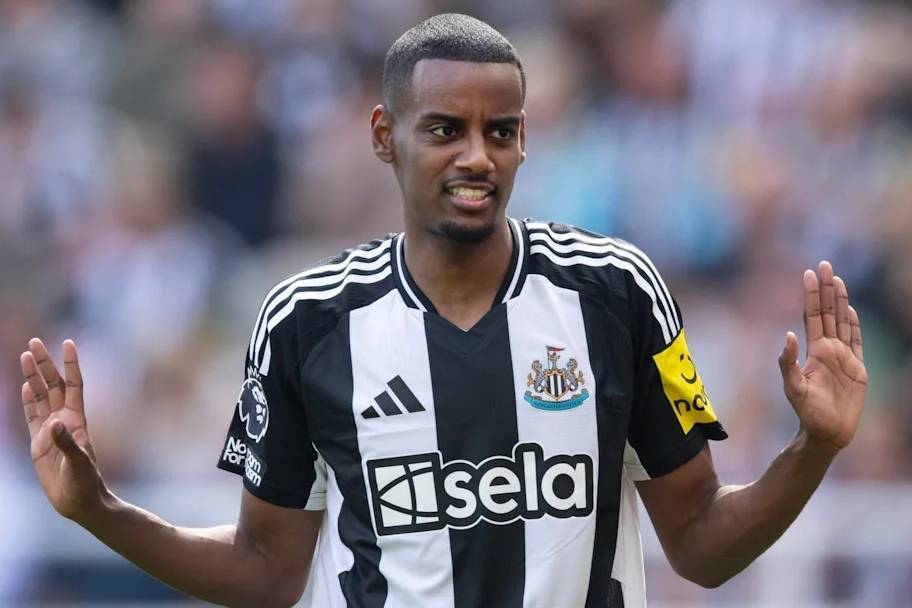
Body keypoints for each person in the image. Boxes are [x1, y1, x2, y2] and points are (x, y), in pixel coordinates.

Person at [19, 14, 868, 608]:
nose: (476, 156)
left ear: (525, 140)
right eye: (444, 130)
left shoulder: (619, 294)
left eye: (501, 131)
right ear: (384, 135)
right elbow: (266, 569)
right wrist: (101, 511)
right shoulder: (304, 321)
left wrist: (813, 448)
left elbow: (702, 543)